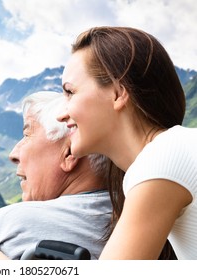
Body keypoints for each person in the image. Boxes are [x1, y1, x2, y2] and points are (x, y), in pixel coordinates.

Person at [56, 26, 196, 259]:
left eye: (70, 92)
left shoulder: (163, 157)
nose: (60, 114)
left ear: (118, 94)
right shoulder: (174, 149)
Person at [0, 91, 112, 260]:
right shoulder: (133, 219)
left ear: (69, 154)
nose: (13, 154)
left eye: (27, 135)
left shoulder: (3, 229)